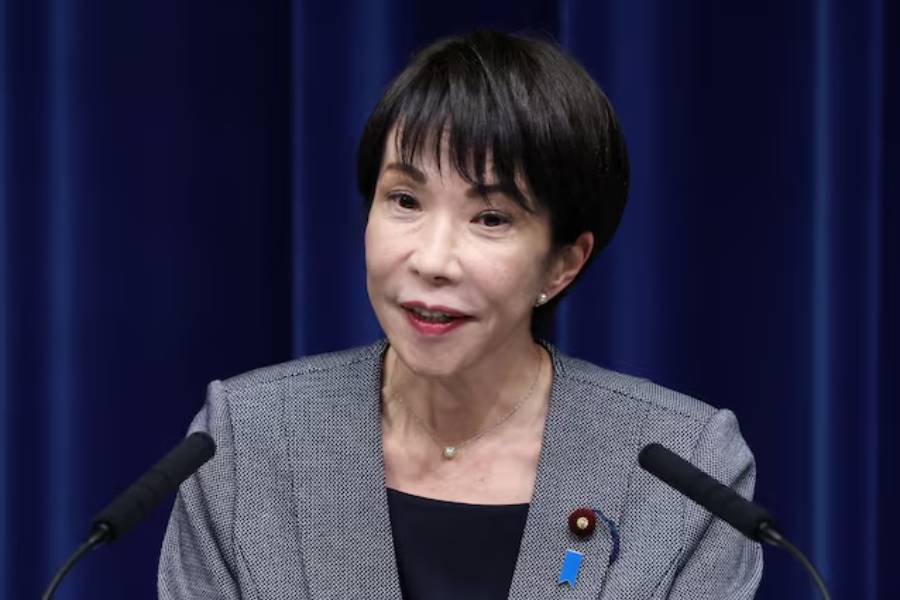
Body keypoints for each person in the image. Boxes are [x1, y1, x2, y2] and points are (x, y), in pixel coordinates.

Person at [158, 30, 762, 599]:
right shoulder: (244, 443)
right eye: (405, 200)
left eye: (491, 218)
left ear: (563, 264)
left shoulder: (685, 470)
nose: (432, 259)